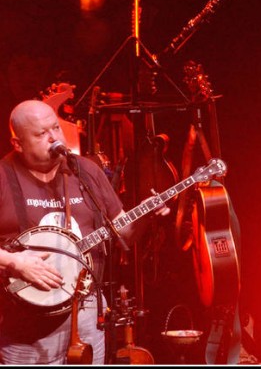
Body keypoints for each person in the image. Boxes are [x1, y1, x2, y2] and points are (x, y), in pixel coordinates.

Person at [0, 99, 170, 364]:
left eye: (55, 128)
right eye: (41, 134)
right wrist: (14, 262)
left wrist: (146, 217)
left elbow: (123, 233)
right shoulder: (2, 176)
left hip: (87, 310)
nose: (53, 137)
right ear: (18, 143)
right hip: (26, 327)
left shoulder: (86, 171)